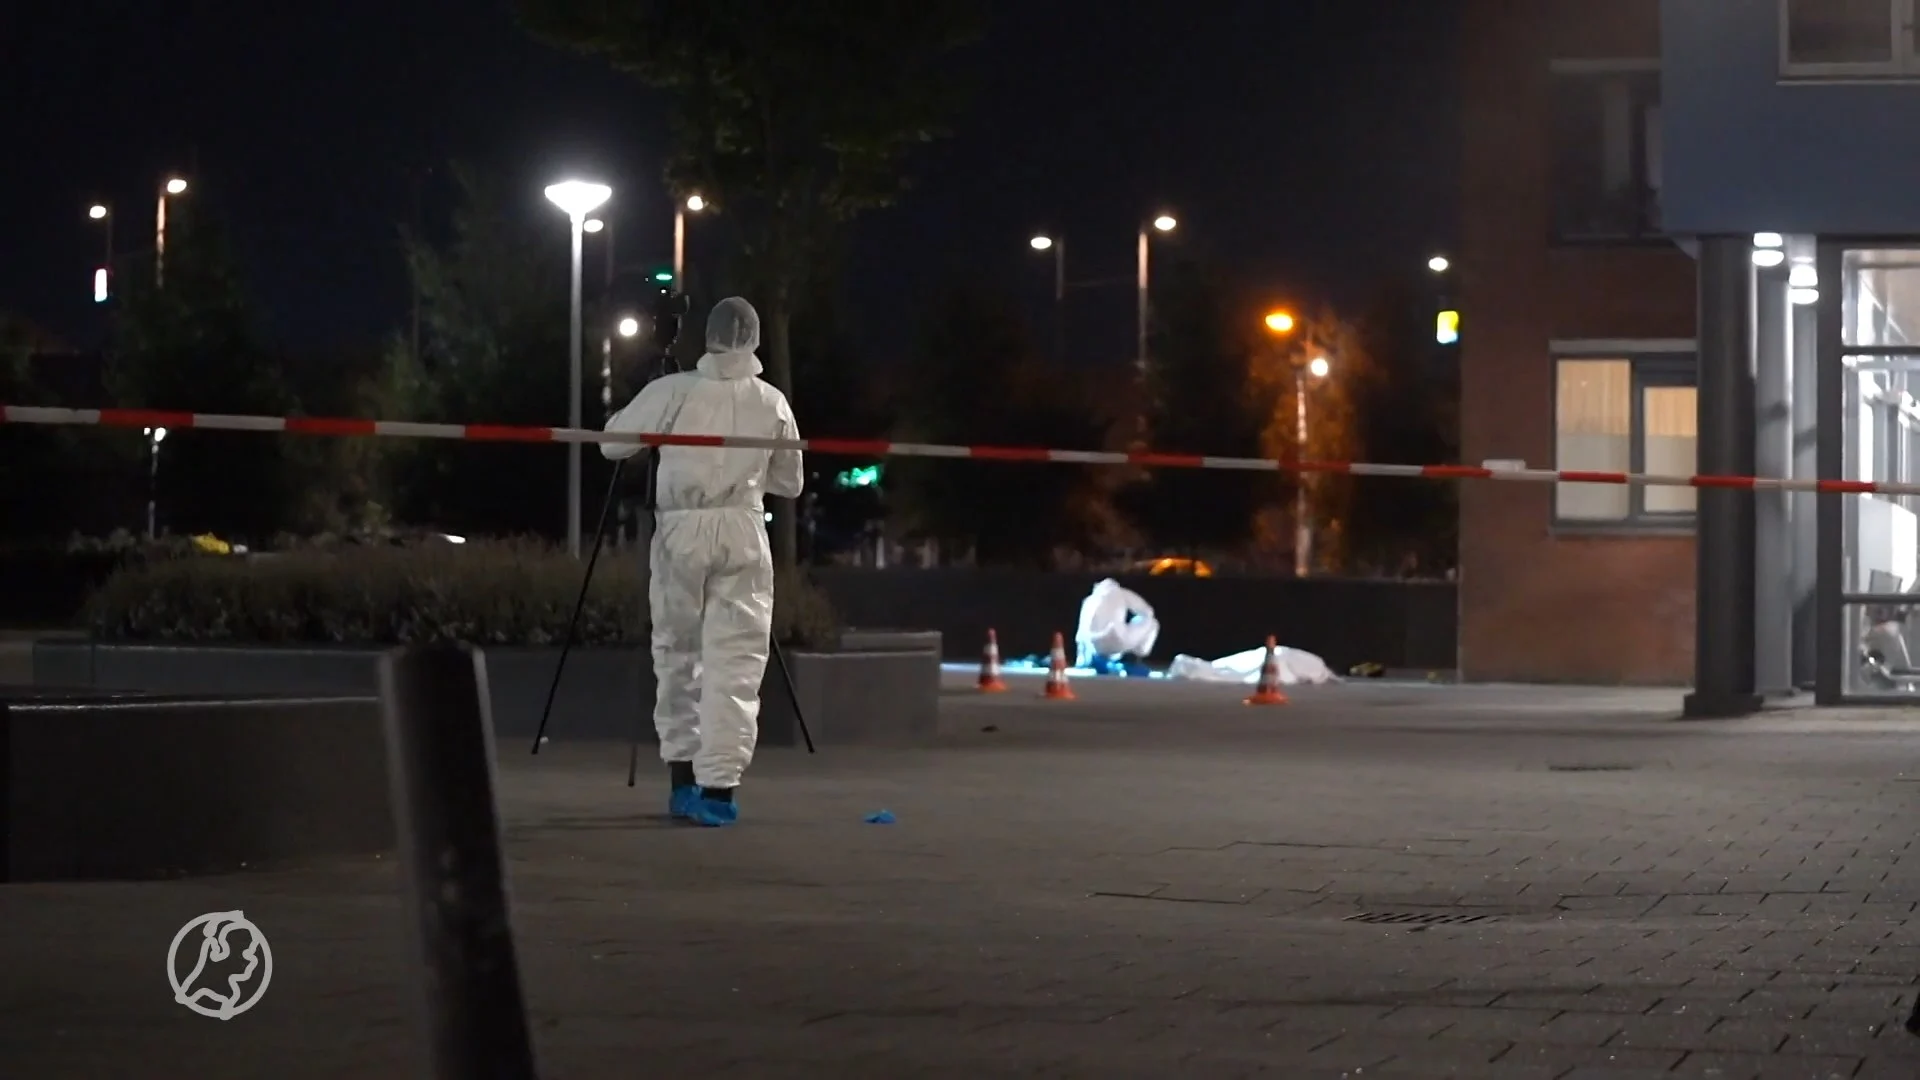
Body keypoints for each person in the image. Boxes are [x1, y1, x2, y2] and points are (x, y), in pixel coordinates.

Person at [601, 297, 803, 827]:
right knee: (736, 659)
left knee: (678, 650)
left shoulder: (674, 390)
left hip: (682, 527)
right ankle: (721, 788)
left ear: (705, 337)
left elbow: (612, 446)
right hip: (742, 529)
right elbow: (790, 482)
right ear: (757, 340)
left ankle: (683, 780)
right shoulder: (773, 401)